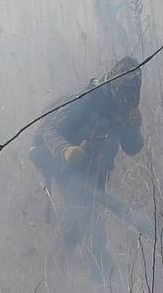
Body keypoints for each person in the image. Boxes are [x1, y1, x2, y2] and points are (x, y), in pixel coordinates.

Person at [30, 56, 144, 279]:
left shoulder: (124, 108)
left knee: (78, 227)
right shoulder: (89, 99)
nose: (129, 95)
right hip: (66, 169)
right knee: (90, 227)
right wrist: (66, 150)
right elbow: (49, 131)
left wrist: (134, 128)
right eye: (125, 88)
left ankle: (55, 277)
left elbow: (131, 147)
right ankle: (93, 287)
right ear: (116, 82)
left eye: (133, 89)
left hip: (93, 175)